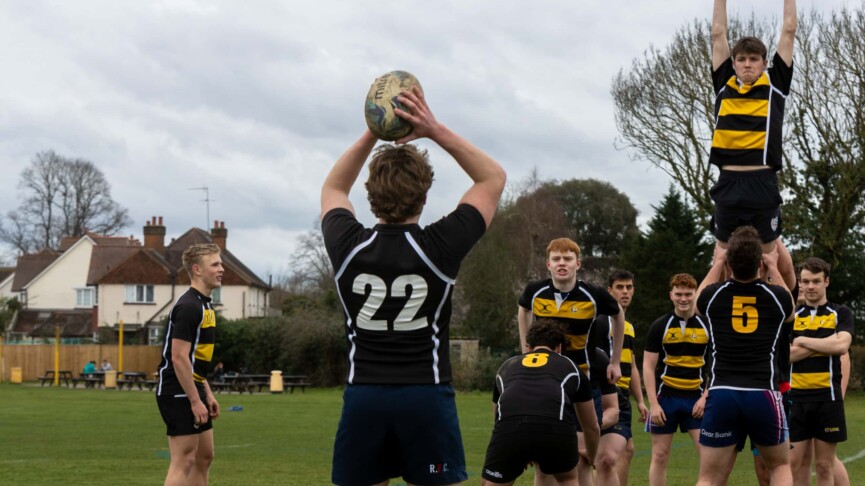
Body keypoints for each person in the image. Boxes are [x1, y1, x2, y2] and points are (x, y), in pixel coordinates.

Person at [321, 84, 506, 486]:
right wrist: (433, 128)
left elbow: (333, 188)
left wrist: (374, 129)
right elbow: (492, 178)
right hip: (426, 398)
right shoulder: (439, 247)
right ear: (425, 196)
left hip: (364, 398)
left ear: (370, 196)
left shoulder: (346, 245)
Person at [517, 237, 624, 485]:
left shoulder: (593, 294)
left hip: (580, 382)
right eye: (556, 259)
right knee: (544, 460)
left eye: (567, 259)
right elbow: (523, 310)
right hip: (544, 382)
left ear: (578, 263)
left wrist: (615, 360)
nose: (561, 263)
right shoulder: (535, 291)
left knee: (581, 458)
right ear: (548, 264)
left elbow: (619, 316)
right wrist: (525, 350)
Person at [694, 226, 795, 485]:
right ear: (760, 262)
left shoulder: (713, 296)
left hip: (722, 393)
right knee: (780, 466)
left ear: (729, 261)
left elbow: (696, 303)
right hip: (764, 393)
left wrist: (718, 263)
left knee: (709, 477)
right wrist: (773, 267)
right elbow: (791, 309)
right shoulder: (776, 298)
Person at [709, 0, 798, 291]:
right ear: (734, 63)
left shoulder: (775, 85)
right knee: (722, 257)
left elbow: (789, 29)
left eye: (754, 59)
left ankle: (776, 321)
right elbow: (718, 34)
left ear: (763, 63)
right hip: (729, 183)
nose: (748, 64)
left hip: (762, 182)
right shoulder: (724, 83)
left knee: (769, 259)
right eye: (742, 59)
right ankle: (721, 318)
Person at [481, 319, 600, 486]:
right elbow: (591, 426)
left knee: (492, 481)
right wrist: (592, 457)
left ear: (529, 347)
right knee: (568, 479)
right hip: (555, 429)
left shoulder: (507, 366)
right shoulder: (571, 367)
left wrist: (523, 445)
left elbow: (498, 415)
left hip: (510, 429)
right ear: (559, 348)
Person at [155, 243, 222, 486]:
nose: (221, 269)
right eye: (215, 264)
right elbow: (179, 358)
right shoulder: (189, 306)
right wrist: (195, 400)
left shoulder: (205, 304)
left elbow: (195, 358)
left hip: (194, 388)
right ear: (197, 270)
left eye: (220, 263)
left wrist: (207, 393)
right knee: (184, 459)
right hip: (177, 391)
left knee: (204, 456)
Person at [789, 257, 853, 486]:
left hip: (828, 398)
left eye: (816, 281)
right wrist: (825, 343)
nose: (810, 286)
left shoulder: (841, 313)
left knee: (825, 465)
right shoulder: (791, 316)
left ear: (826, 281)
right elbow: (785, 356)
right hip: (795, 399)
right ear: (800, 283)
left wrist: (803, 340)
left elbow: (841, 346)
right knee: (793, 464)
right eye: (805, 281)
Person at [643, 273, 711, 486]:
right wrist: (653, 404)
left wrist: (705, 398)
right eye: (679, 294)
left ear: (695, 294)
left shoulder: (707, 325)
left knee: (708, 457)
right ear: (671, 295)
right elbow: (647, 366)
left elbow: (717, 366)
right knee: (660, 455)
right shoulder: (659, 325)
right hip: (667, 399)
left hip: (697, 400)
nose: (684, 299)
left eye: (688, 294)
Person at [591, 270, 649, 486]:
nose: (625, 292)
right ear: (609, 291)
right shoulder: (602, 322)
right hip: (607, 396)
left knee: (627, 450)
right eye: (620, 287)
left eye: (629, 287)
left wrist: (641, 400)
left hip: (623, 397)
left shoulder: (628, 326)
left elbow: (631, 365)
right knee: (605, 458)